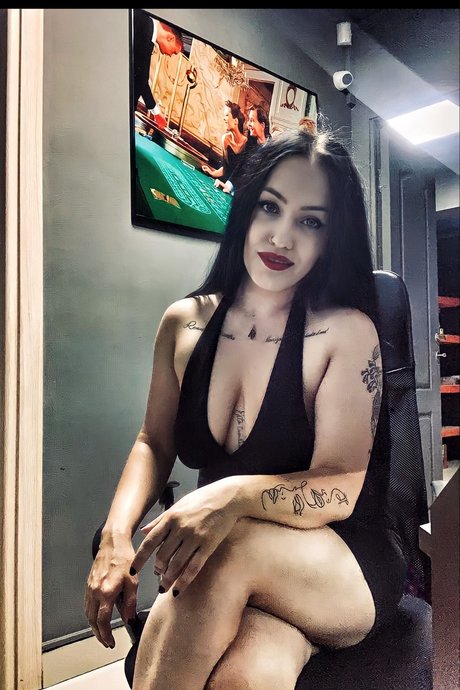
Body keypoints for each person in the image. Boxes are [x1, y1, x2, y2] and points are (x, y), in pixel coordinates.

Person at [85, 129, 409, 690]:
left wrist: (231, 496)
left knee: (223, 549)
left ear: (332, 238)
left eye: (311, 222)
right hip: (230, 562)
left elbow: (340, 486)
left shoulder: (345, 332)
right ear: (246, 208)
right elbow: (154, 442)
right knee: (247, 677)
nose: (282, 237)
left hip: (341, 560)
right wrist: (116, 533)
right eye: (270, 207)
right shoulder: (184, 323)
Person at [132, 9, 184, 130]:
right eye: (174, 52)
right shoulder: (141, 22)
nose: (171, 55)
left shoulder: (147, 31)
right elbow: (141, 79)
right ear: (170, 38)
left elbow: (141, 78)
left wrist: (156, 112)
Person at [220, 104, 271, 195]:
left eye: (252, 120)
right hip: (241, 192)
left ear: (262, 125)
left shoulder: (273, 148)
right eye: (248, 120)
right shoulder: (251, 141)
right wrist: (228, 185)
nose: (248, 124)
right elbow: (241, 165)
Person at [201, 100, 248, 191]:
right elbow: (225, 168)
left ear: (235, 121)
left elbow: (243, 173)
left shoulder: (247, 143)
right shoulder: (225, 139)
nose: (224, 118)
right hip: (224, 185)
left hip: (238, 189)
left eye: (226, 115)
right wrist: (212, 172)